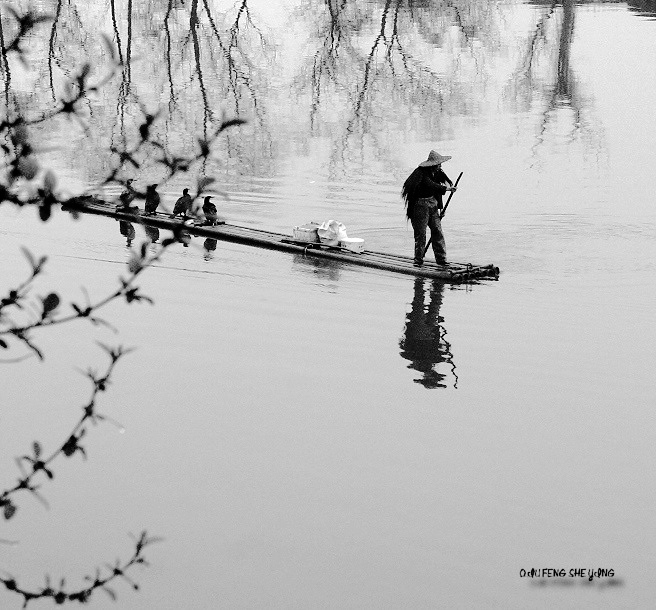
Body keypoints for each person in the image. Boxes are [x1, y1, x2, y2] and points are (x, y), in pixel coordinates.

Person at [401, 150, 457, 266]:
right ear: (433, 165)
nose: (440, 166)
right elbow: (430, 185)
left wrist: (441, 208)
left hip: (433, 204)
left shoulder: (437, 172)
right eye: (438, 164)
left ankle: (441, 260)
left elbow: (441, 187)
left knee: (437, 231)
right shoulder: (421, 173)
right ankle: (418, 261)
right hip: (420, 206)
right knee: (421, 234)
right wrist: (446, 189)